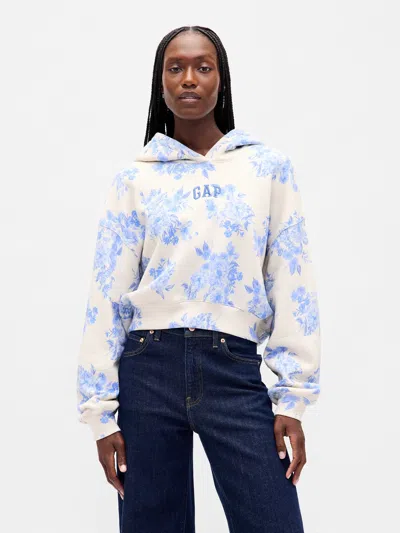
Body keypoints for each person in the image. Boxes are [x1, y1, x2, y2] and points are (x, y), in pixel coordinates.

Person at [76, 24, 321, 533]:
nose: (189, 79)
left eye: (203, 67)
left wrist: (293, 399)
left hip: (233, 368)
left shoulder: (266, 169)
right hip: (147, 369)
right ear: (161, 83)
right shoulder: (135, 178)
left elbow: (291, 279)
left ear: (221, 80)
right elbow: (107, 293)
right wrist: (100, 415)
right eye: (176, 68)